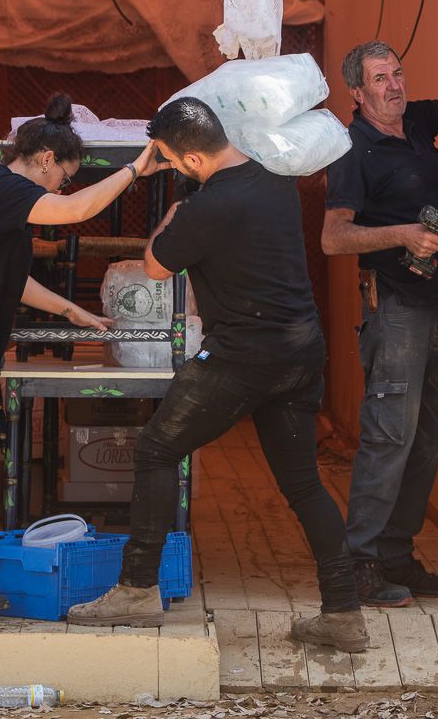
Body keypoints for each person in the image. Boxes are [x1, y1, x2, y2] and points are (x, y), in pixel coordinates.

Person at [67, 98, 367, 654]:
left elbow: (155, 265)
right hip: (301, 351)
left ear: (190, 159)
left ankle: (137, 589)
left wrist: (176, 208)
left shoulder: (203, 209)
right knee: (303, 484)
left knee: (156, 450)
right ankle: (344, 613)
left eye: (171, 159)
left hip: (242, 358)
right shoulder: (276, 179)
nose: (170, 166)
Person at [0, 93, 166, 618]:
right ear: (44, 159)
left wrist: (70, 310)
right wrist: (134, 170)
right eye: (63, 175)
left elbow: (12, 278)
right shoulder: (4, 187)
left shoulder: (1, 194)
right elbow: (75, 211)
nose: (61, 186)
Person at [320, 0, 438, 608]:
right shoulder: (353, 151)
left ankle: (397, 554)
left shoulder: (418, 123)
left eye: (396, 72)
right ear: (357, 93)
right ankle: (360, 563)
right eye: (380, 79)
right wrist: (402, 234)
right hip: (393, 308)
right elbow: (333, 237)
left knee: (424, 438)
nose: (394, 85)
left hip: (432, 304)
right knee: (388, 436)